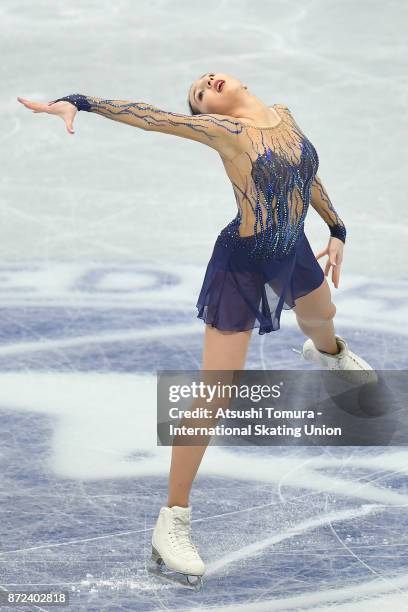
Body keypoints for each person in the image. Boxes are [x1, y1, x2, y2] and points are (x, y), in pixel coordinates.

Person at [17, 73, 374, 587]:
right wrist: (80, 102)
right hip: (243, 263)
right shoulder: (224, 132)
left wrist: (336, 228)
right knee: (216, 392)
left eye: (205, 81)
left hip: (292, 245)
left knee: (322, 315)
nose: (205, 84)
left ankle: (327, 352)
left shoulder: (284, 114)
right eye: (199, 95)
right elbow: (148, 116)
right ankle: (172, 522)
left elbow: (305, 175)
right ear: (206, 114)